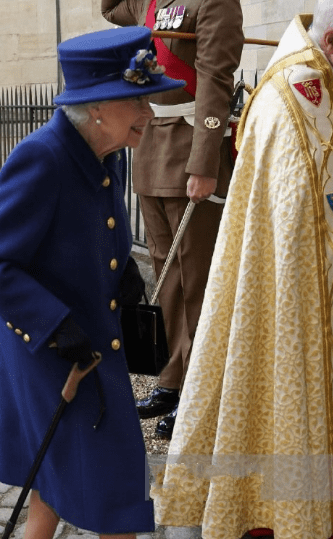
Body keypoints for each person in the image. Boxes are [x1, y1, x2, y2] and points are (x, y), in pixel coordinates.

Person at [151, 0, 333, 539]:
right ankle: (299, 521)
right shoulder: (289, 96)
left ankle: (325, 515)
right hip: (292, 297)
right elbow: (294, 215)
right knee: (290, 390)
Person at [0, 27, 203, 539]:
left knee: (56, 458)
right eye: (140, 103)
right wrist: (55, 327)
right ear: (98, 104)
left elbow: (98, 233)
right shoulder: (42, 157)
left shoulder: (108, 148)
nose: (150, 117)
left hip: (92, 338)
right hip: (51, 348)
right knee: (114, 459)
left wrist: (125, 279)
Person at [101, 0, 244, 439]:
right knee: (166, 274)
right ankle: (172, 377)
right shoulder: (148, 2)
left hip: (190, 149)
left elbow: (216, 78)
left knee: (197, 281)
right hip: (152, 151)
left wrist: (204, 163)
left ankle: (201, 393)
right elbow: (111, 10)